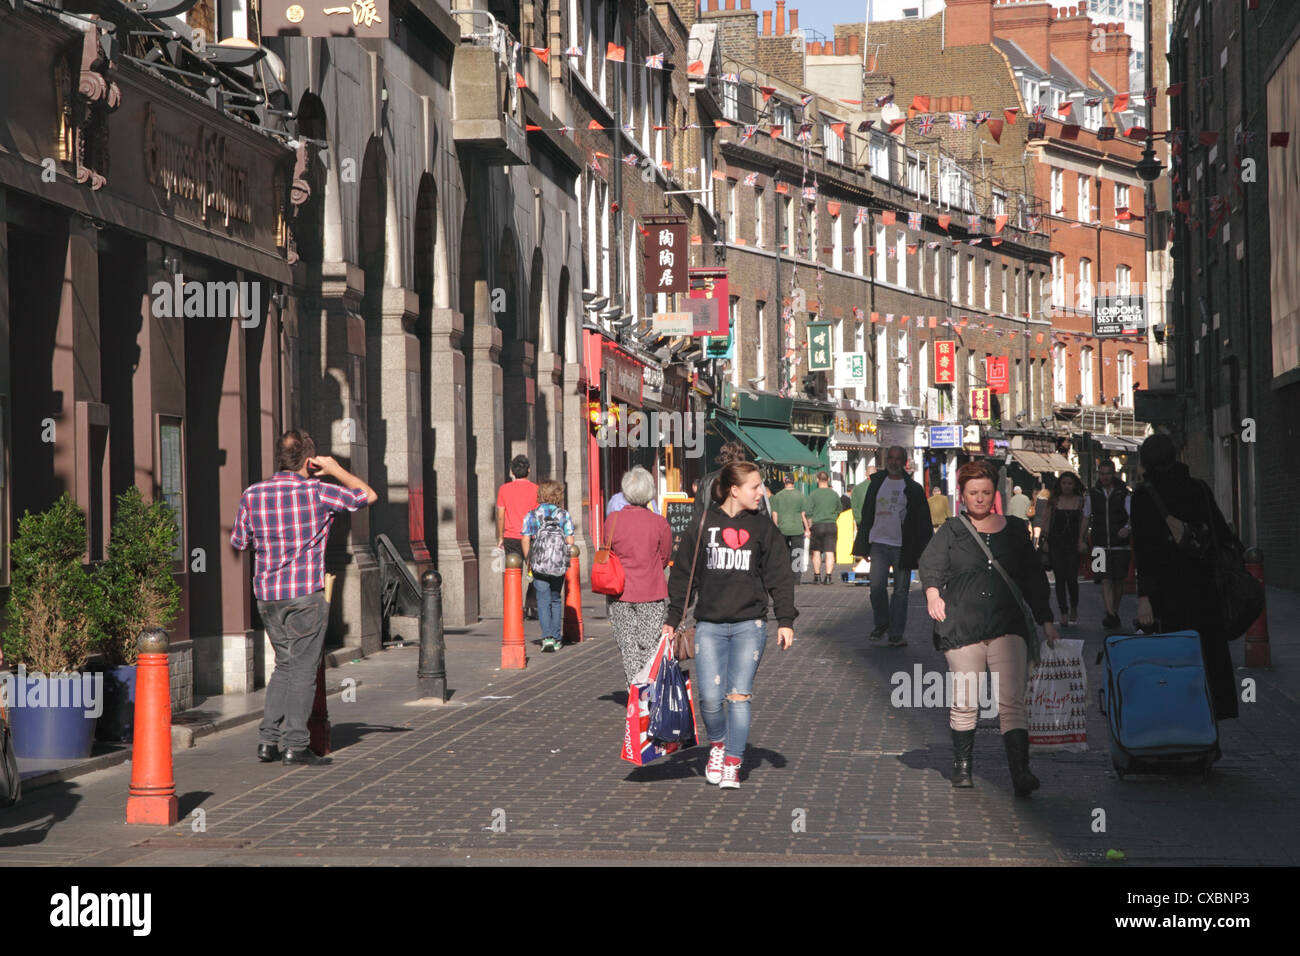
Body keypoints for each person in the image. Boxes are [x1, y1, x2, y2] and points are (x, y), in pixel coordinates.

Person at [231, 429, 377, 767]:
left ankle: (268, 740)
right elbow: (367, 495)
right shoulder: (318, 492)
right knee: (303, 670)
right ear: (309, 461)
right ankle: (296, 744)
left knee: (284, 665)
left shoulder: (253, 494)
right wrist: (336, 469)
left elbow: (240, 541)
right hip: (303, 595)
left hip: (267, 595)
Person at [918, 460, 1060, 796]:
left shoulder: (1013, 530)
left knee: (1011, 700)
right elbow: (931, 565)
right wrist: (933, 593)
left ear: (994, 492)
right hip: (962, 626)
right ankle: (963, 766)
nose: (979, 499)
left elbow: (1033, 579)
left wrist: (1047, 620)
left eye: (985, 492)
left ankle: (1020, 771)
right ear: (962, 495)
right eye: (972, 493)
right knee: (966, 700)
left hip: (1006, 624)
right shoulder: (952, 530)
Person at [664, 461, 796, 790]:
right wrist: (672, 618)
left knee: (739, 697)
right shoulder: (703, 523)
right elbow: (684, 575)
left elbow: (780, 575)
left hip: (750, 625)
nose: (761, 493)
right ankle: (719, 746)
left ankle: (733, 763)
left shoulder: (764, 528)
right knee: (709, 698)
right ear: (735, 490)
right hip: (709, 624)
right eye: (755, 487)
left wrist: (785, 620)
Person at [1131, 434, 1238, 721]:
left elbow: (1144, 550)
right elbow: (1223, 536)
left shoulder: (1143, 496)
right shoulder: (1199, 488)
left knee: (1174, 663)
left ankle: (1181, 731)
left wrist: (1144, 598)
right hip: (1205, 589)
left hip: (1167, 595)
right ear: (1176, 457)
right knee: (1208, 659)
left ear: (1145, 461)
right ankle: (1209, 730)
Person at [851, 446, 933, 646]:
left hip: (902, 546)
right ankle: (881, 624)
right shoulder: (877, 483)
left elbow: (922, 521)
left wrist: (924, 550)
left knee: (900, 591)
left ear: (904, 462)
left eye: (898, 459)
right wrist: (863, 544)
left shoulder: (912, 488)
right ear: (886, 459)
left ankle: (896, 634)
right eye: (891, 458)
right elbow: (868, 512)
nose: (894, 462)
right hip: (878, 543)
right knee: (876, 587)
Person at [606, 467, 674, 684]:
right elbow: (665, 557)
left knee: (628, 646)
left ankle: (634, 691)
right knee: (649, 644)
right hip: (651, 592)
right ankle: (648, 688)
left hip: (620, 592)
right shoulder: (659, 523)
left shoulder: (612, 520)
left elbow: (607, 553)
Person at [521, 480, 577, 652]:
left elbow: (525, 538)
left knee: (543, 600)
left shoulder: (532, 514)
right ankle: (557, 637)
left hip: (539, 564)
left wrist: (528, 559)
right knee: (555, 599)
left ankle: (547, 638)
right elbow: (570, 540)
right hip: (557, 564)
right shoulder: (563, 515)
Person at [1084, 460, 1132, 629]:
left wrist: (1127, 528)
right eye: (1102, 473)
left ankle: (1114, 610)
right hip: (1099, 544)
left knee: (1118, 580)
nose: (1105, 477)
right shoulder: (1092, 493)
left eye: (1108, 473)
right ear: (1098, 474)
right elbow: (1086, 516)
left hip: (1121, 545)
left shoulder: (1124, 493)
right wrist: (1082, 539)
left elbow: (1131, 515)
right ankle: (1110, 612)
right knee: (1104, 579)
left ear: (1114, 474)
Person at [1041, 472, 1087, 625]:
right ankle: (1063, 612)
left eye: (1070, 483)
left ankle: (1074, 606)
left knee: (1072, 579)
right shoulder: (1053, 501)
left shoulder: (1081, 501)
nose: (1067, 486)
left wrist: (1081, 540)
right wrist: (1045, 540)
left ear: (1075, 485)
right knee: (1059, 578)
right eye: (1064, 483)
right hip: (1056, 543)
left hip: (1073, 544)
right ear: (1060, 485)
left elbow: (1083, 522)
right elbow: (1046, 521)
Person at [497, 455, 540, 617]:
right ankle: (531, 605)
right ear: (528, 470)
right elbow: (537, 515)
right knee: (534, 570)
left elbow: (501, 514)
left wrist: (500, 536)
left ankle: (514, 607)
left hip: (510, 536)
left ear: (512, 471)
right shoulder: (535, 489)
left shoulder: (504, 489)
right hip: (531, 536)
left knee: (513, 572)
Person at [693, 441, 768, 523]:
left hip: (711, 529)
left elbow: (698, 511)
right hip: (742, 528)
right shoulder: (746, 478)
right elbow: (761, 509)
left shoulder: (706, 480)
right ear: (741, 458)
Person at [770, 477, 811, 585]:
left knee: (783, 553)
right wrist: (807, 529)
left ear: (784, 481)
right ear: (794, 482)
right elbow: (803, 515)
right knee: (797, 553)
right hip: (797, 528)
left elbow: (775, 514)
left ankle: (784, 577)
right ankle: (796, 579)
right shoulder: (800, 496)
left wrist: (776, 527)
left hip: (782, 529)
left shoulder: (777, 496)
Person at [806, 472, 842, 585]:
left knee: (816, 551)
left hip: (817, 525)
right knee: (830, 551)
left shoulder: (813, 494)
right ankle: (828, 576)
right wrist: (834, 516)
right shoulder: (834, 494)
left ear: (817, 480)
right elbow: (839, 508)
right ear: (828, 479)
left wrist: (809, 526)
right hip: (831, 524)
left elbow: (808, 512)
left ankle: (817, 576)